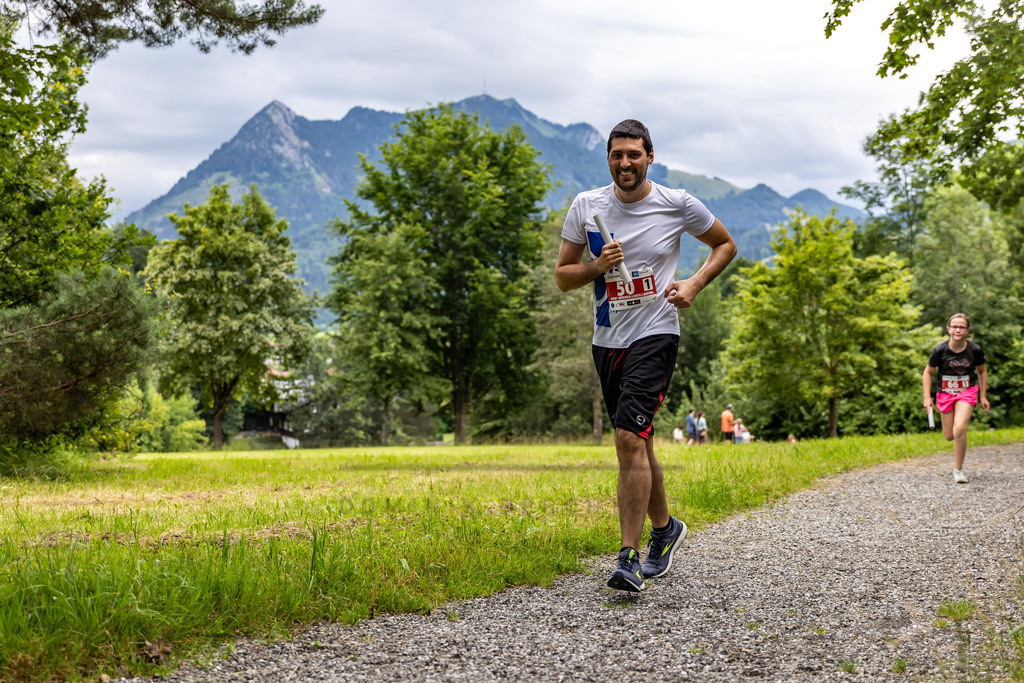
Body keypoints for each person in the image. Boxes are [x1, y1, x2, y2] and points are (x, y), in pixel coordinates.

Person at [556, 119, 737, 592]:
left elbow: (725, 244)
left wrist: (694, 283)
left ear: (650, 156)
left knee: (626, 438)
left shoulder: (677, 203)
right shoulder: (586, 206)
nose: (625, 163)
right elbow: (563, 276)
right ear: (608, 159)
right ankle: (666, 529)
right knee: (639, 440)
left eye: (634, 154)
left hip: (656, 332)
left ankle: (627, 558)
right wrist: (597, 266)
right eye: (617, 155)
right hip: (607, 340)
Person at [922, 313, 990, 484]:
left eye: (961, 327)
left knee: (959, 428)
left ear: (967, 330)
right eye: (954, 326)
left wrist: (982, 396)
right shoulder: (940, 350)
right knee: (949, 435)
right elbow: (928, 372)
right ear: (948, 329)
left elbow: (982, 371)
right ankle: (958, 438)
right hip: (945, 393)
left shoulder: (974, 350)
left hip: (967, 392)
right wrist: (927, 397)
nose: (958, 330)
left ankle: (958, 470)